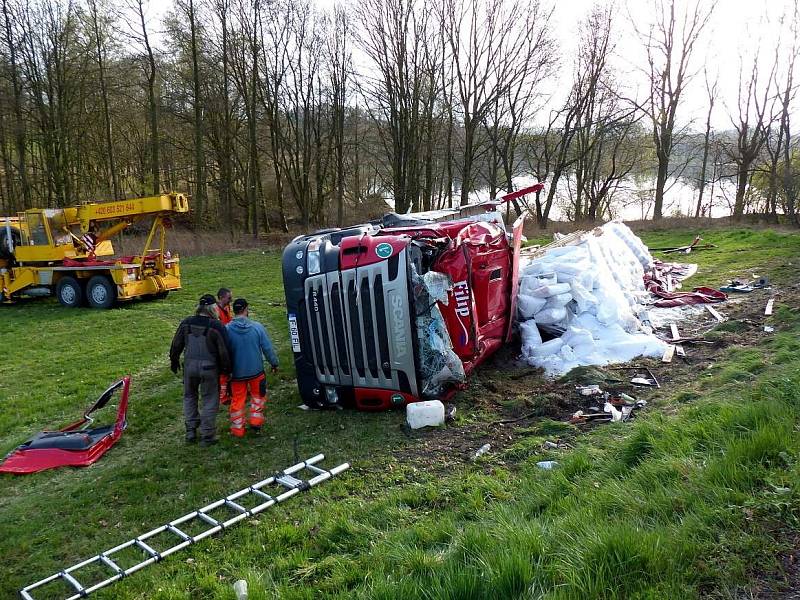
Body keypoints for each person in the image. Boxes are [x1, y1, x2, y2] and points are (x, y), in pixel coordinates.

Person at [169, 294, 232, 446]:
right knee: (210, 400)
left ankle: (190, 431)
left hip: (189, 368)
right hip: (209, 369)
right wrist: (227, 370)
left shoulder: (186, 323)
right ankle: (207, 435)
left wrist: (174, 360)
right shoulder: (216, 326)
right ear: (213, 308)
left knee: (189, 397)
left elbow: (176, 344)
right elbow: (225, 351)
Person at [225, 298, 279, 438]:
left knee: (237, 399)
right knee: (258, 396)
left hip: (236, 374)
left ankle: (238, 429)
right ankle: (256, 421)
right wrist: (274, 363)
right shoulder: (257, 327)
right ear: (245, 309)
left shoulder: (227, 329)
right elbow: (267, 348)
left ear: (234, 310)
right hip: (256, 371)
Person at [211, 288, 233, 406]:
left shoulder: (227, 307)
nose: (231, 300)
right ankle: (223, 397)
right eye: (229, 298)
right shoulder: (215, 310)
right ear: (221, 298)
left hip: (227, 341)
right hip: (220, 344)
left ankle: (228, 392)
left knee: (228, 369)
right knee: (223, 371)